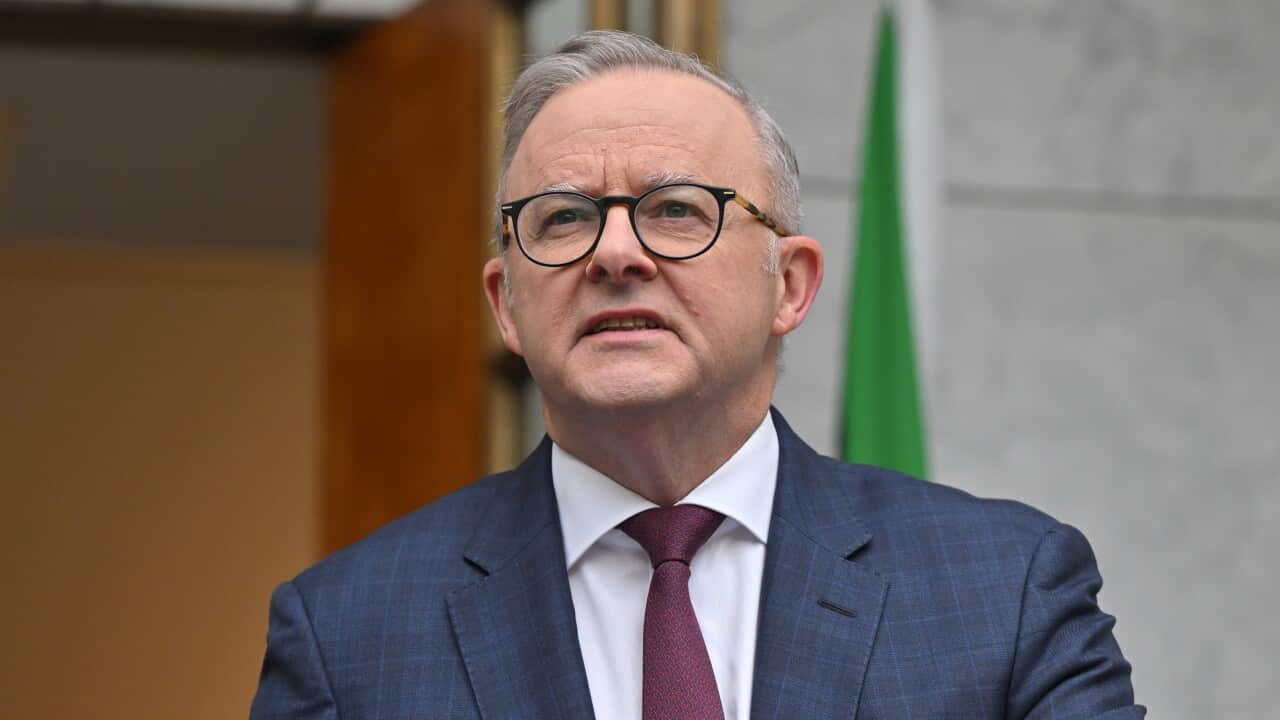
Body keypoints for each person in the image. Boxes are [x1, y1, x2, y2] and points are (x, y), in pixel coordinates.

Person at [250, 30, 1143, 719]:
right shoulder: (348, 633)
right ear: (506, 305)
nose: (615, 252)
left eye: (676, 209)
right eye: (562, 220)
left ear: (789, 286)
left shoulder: (1004, 589)